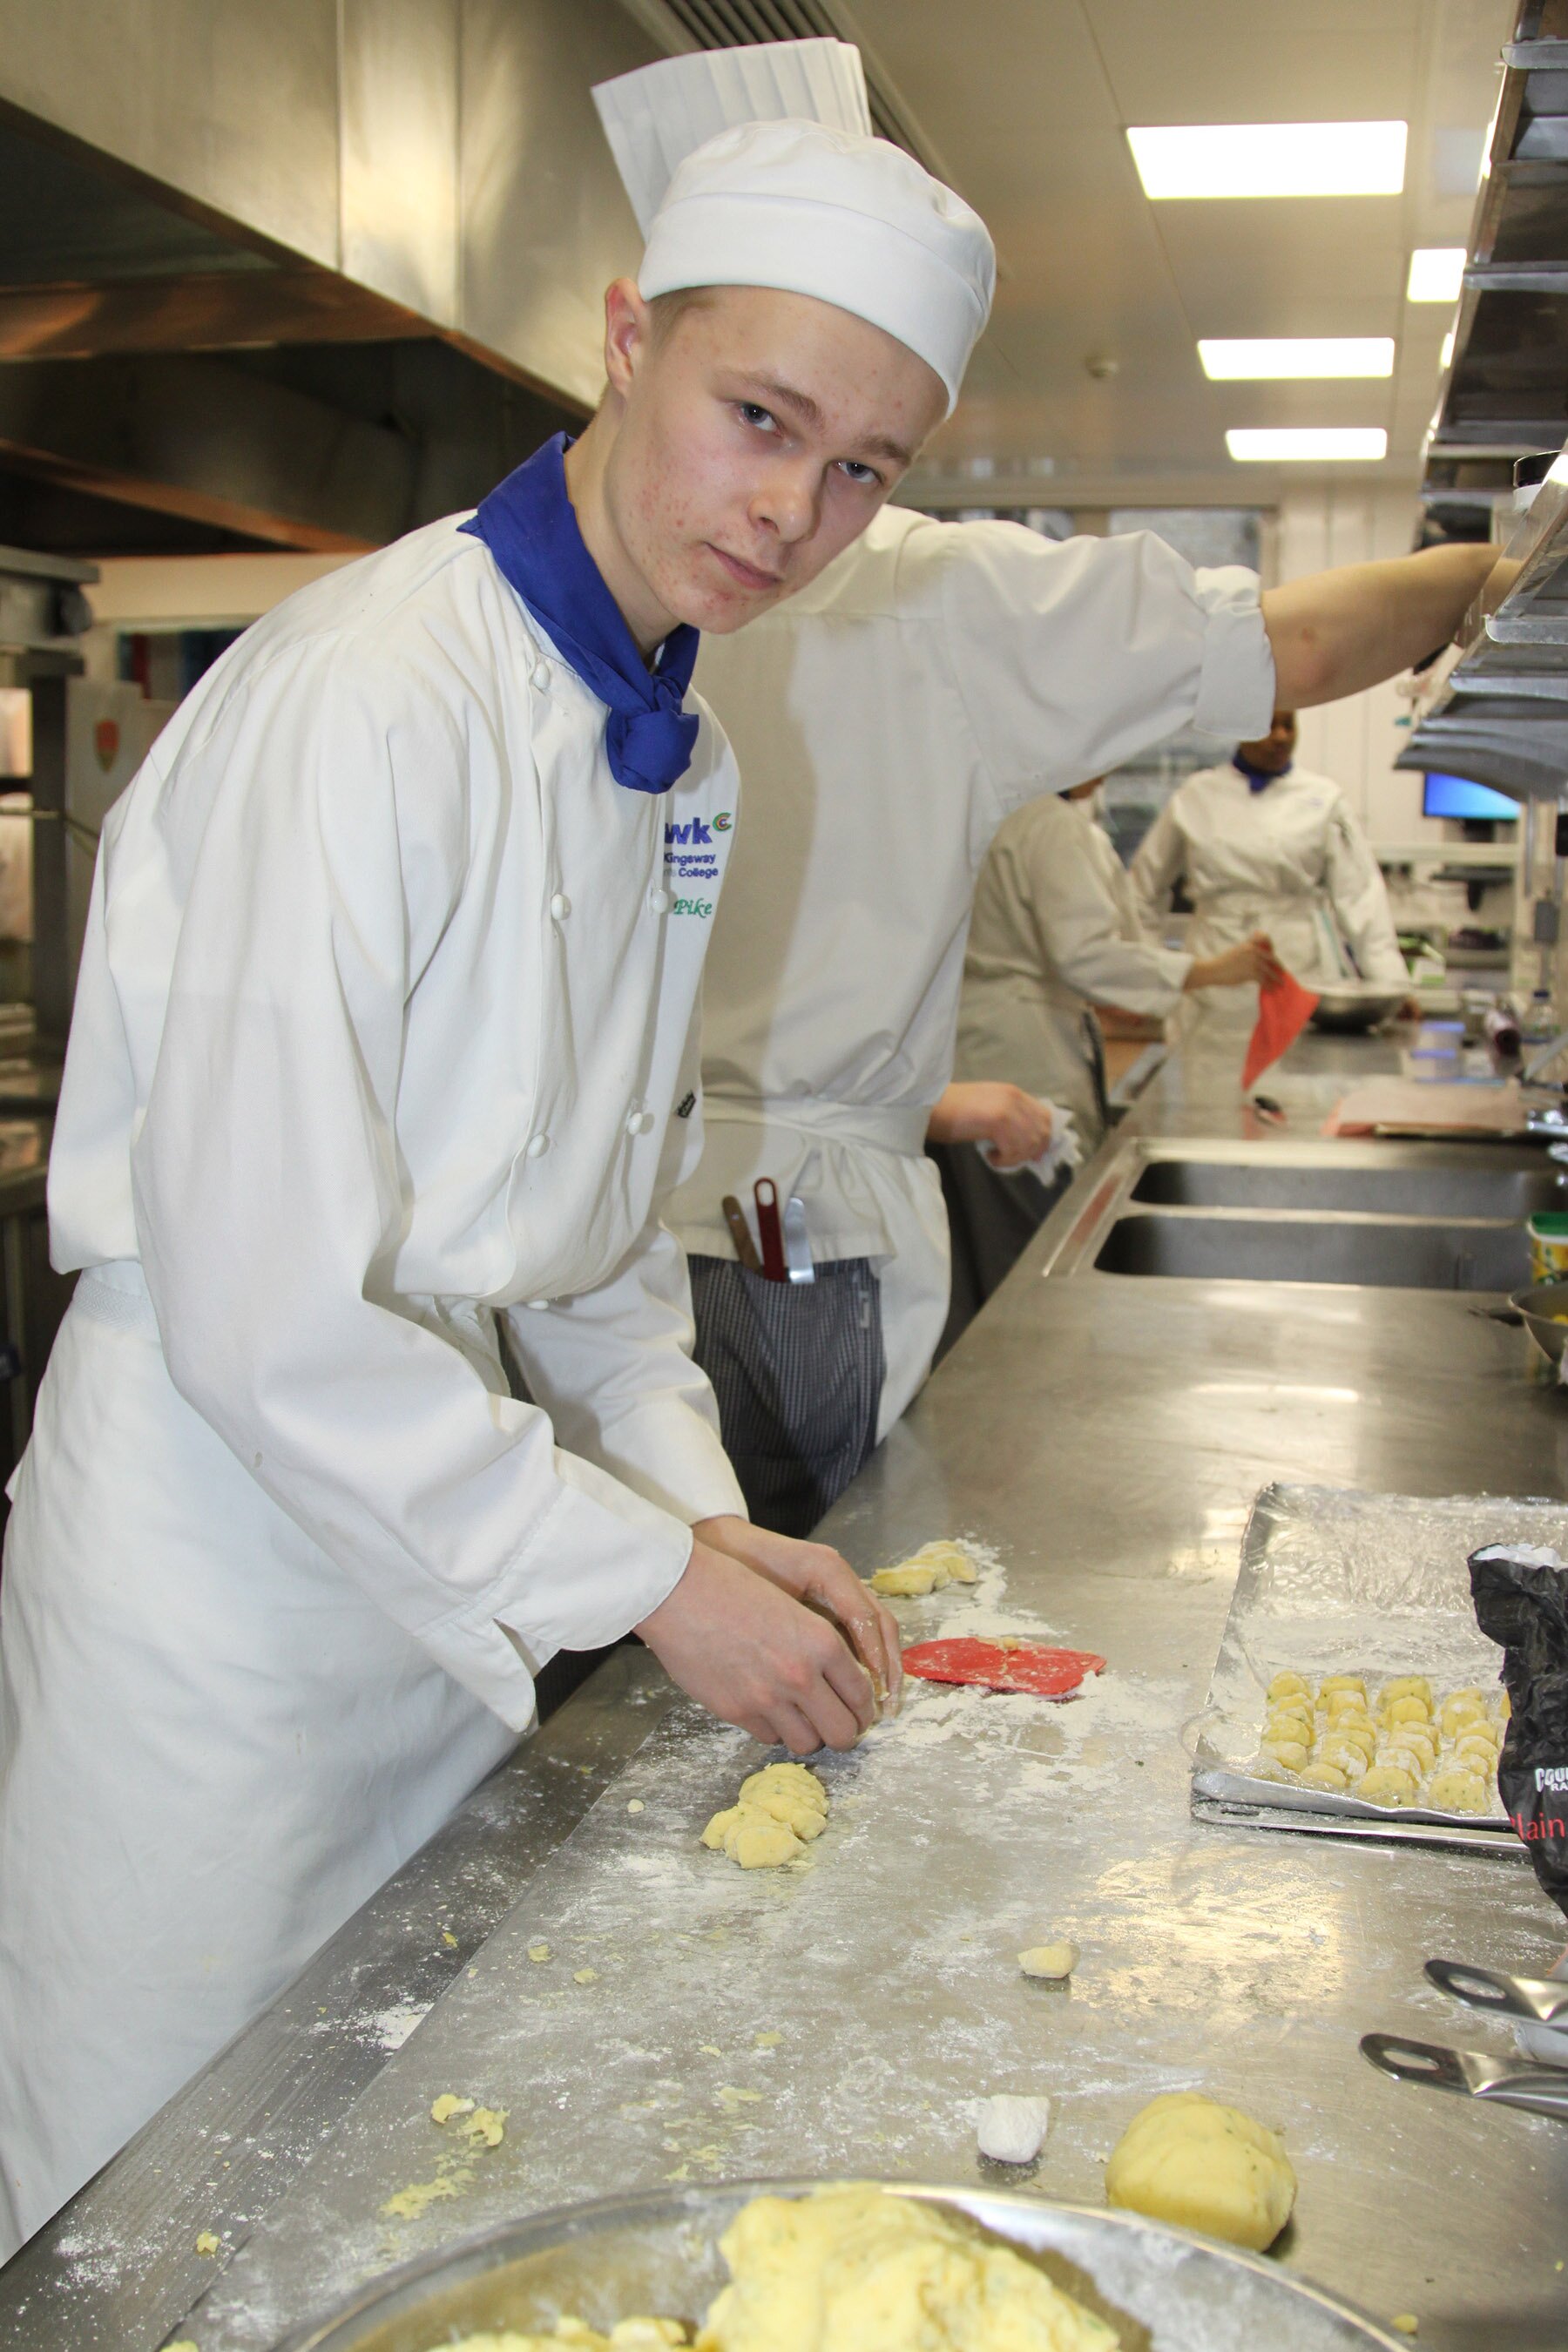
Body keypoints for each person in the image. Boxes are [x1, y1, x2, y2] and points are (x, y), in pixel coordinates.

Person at [0, 37, 993, 2254]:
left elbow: (601, 1245)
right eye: (761, 420)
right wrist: (639, 1579)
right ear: (630, 339)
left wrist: (708, 1535)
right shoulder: (369, 696)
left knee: (385, 2184)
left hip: (438, 1596)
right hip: (223, 1612)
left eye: (860, 471)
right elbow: (265, 1313)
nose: (792, 514)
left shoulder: (682, 752)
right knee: (157, 2221)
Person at [670, 525, 1497, 1538]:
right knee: (814, 1550)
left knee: (716, 1543)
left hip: (662, 1211)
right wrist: (1481, 571)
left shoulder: (669, 592)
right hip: (796, 1231)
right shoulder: (929, 594)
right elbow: (1304, 642)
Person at [935, 779, 1281, 1334]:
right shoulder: (1049, 824)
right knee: (1035, 1273)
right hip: (1024, 1065)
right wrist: (1210, 972)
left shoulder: (981, 814)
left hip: (969, 1056)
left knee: (985, 1266)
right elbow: (1084, 955)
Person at [1131, 708, 1410, 1005]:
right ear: (1241, 731)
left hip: (1298, 969)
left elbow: (1361, 898)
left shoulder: (1325, 799)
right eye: (1269, 726)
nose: (1281, 737)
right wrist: (1151, 974)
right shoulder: (1196, 796)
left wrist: (1392, 987)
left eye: (1289, 726)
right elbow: (1142, 890)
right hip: (1213, 968)